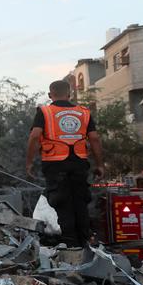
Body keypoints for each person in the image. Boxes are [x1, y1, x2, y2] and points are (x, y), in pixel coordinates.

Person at [25, 80, 103, 247]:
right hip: (79, 164)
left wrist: (29, 162)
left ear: (50, 95)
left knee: (62, 203)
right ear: (70, 94)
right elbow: (95, 138)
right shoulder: (84, 113)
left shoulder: (44, 112)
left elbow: (34, 136)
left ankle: (70, 244)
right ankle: (84, 243)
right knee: (80, 203)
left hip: (54, 165)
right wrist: (100, 164)